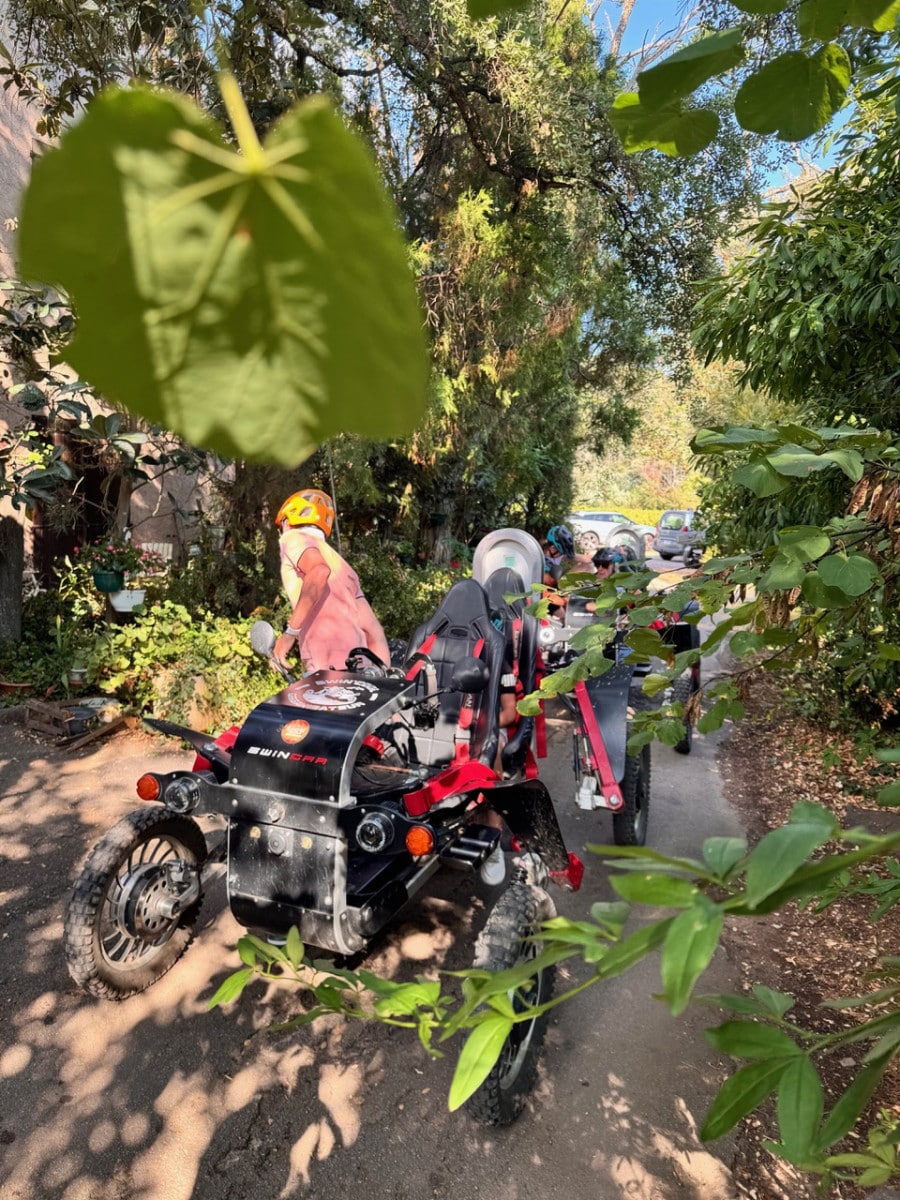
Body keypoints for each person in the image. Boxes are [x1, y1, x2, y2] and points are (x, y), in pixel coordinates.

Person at [272, 489, 390, 674]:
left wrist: (290, 634)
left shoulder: (293, 538)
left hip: (326, 671)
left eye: (281, 527)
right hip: (359, 669)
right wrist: (383, 680)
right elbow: (373, 630)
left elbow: (319, 571)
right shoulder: (343, 566)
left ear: (287, 522)